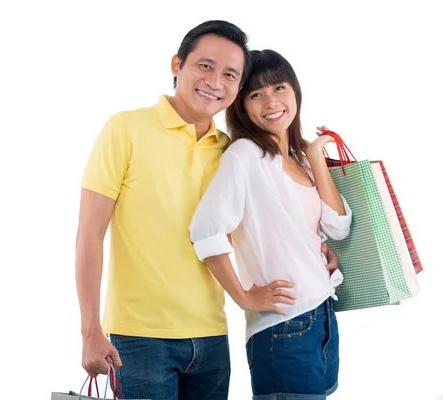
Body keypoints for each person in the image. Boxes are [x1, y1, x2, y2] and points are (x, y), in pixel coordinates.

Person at [75, 21, 338, 399]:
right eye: (205, 66)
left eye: (230, 74)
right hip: (139, 337)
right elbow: (88, 235)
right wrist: (90, 330)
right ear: (176, 65)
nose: (216, 81)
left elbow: (268, 229)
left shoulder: (230, 150)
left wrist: (318, 254)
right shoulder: (126, 129)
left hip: (212, 337)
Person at [189, 49, 352, 400]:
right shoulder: (245, 154)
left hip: (322, 315)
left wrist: (315, 159)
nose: (270, 101)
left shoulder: (298, 159)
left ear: (295, 91)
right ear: (242, 106)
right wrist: (245, 297)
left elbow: (338, 226)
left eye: (279, 88)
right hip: (283, 328)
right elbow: (205, 230)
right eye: (256, 94)